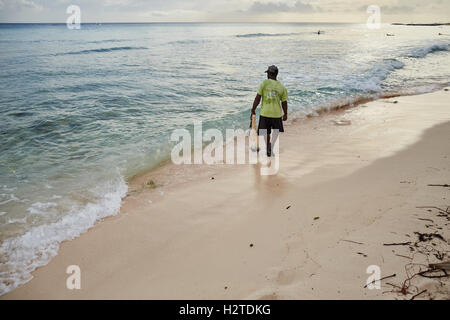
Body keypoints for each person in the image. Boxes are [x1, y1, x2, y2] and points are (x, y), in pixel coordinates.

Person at [251, 65, 288, 157]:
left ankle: (268, 145)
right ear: (276, 74)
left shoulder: (264, 83)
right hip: (277, 114)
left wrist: (253, 109)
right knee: (276, 131)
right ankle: (271, 145)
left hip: (265, 113)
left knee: (265, 132)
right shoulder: (282, 87)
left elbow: (257, 98)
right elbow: (284, 102)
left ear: (269, 74)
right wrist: (285, 113)